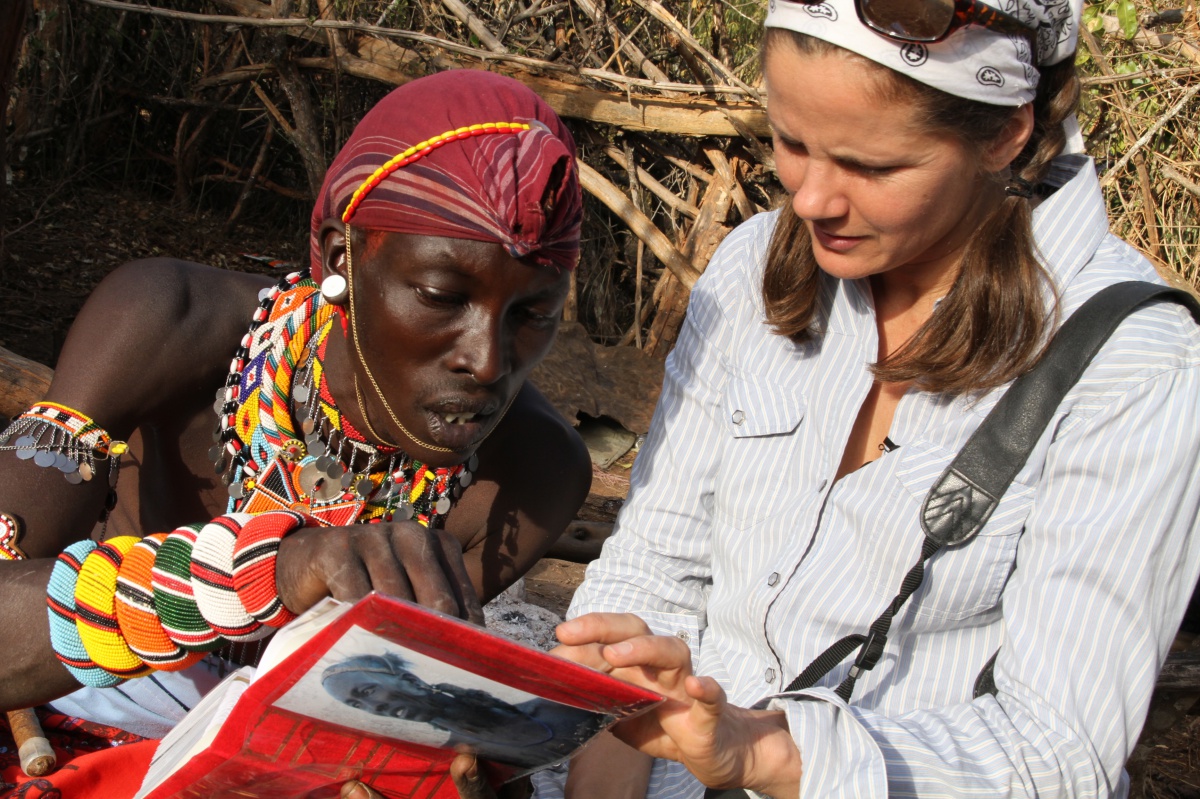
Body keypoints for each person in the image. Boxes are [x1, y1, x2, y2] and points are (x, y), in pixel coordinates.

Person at [538, 0, 1200, 796]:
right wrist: (606, 741)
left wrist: (771, 752)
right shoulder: (756, 265)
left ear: (1005, 134)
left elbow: (1056, 751)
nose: (812, 198)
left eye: (871, 167)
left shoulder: (1133, 365)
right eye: (789, 143)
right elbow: (651, 568)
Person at [0, 68, 590, 798]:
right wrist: (258, 574)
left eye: (533, 316)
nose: (489, 360)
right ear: (343, 256)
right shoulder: (167, 321)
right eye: (443, 296)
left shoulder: (534, 477)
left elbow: (370, 711)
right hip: (63, 710)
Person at [322, 653, 608, 768]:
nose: (375, 707)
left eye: (368, 691)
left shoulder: (553, 706)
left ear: (409, 679)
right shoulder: (452, 762)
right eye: (358, 705)